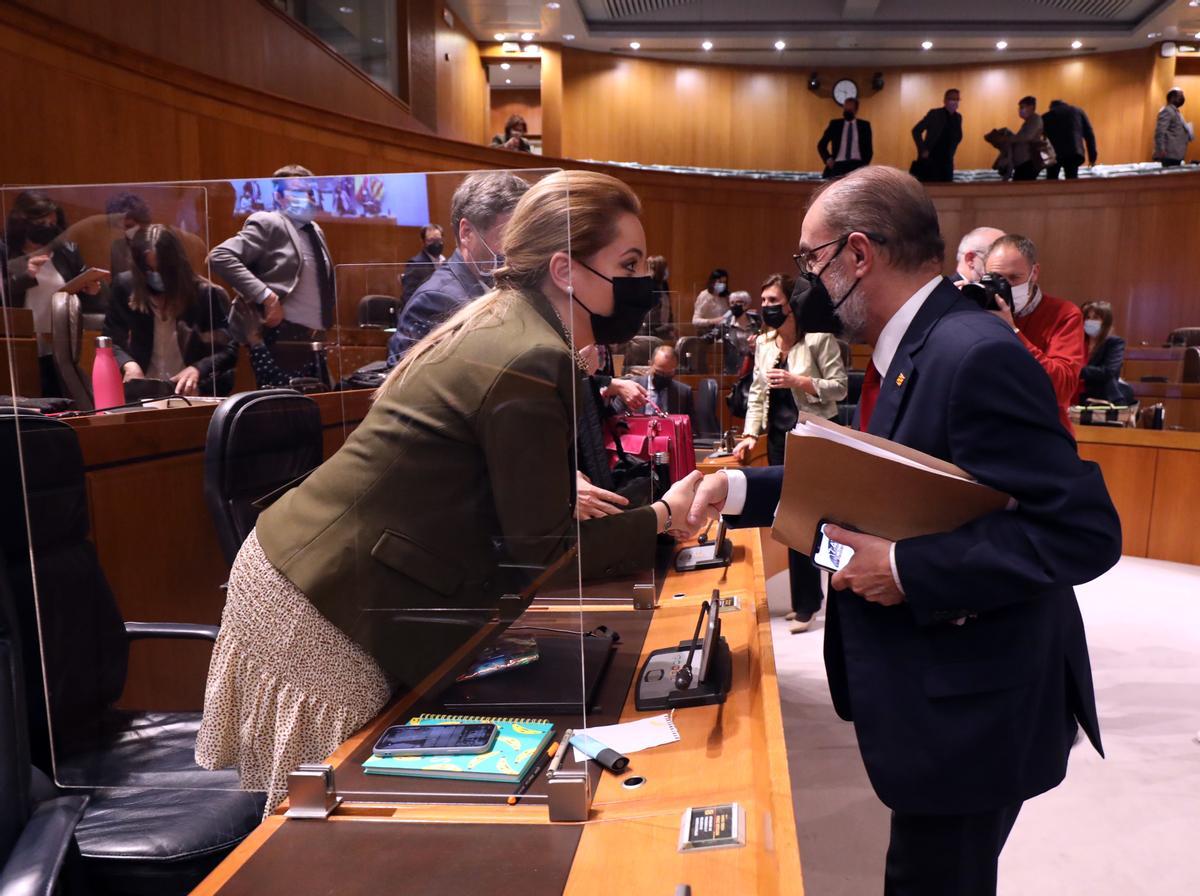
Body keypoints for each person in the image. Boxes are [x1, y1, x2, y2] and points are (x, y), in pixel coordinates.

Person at [195, 170, 703, 813]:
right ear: (566, 271)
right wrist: (662, 516)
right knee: (327, 830)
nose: (642, 283)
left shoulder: (512, 322)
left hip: (326, 576)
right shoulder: (530, 354)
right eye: (627, 264)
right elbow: (542, 550)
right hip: (319, 602)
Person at [682, 165, 1120, 896]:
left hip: (975, 708)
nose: (805, 283)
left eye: (810, 261)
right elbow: (863, 486)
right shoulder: (910, 349)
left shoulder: (973, 354)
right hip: (940, 693)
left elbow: (1083, 531)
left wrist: (910, 567)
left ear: (859, 256)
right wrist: (728, 488)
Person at [733, 271, 846, 633]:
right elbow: (756, 393)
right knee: (788, 518)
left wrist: (798, 380)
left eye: (773, 301)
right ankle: (805, 601)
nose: (766, 307)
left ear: (790, 304)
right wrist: (750, 434)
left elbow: (840, 388)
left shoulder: (817, 340)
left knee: (811, 518)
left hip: (813, 437)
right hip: (779, 437)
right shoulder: (764, 342)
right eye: (763, 301)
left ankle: (812, 602)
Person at [388, 171, 530, 364]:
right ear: (467, 232)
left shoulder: (501, 283)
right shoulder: (435, 301)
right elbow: (401, 386)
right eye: (507, 235)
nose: (516, 247)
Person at [208, 165, 336, 374]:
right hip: (279, 336)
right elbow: (220, 256)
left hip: (313, 339)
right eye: (299, 191)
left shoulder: (315, 230)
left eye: (311, 192)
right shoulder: (269, 222)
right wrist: (267, 297)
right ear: (279, 196)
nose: (309, 198)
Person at [103, 224, 236, 396]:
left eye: (162, 270)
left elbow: (229, 350)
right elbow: (111, 340)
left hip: (191, 394)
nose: (156, 276)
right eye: (149, 270)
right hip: (144, 393)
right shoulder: (125, 286)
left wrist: (197, 369)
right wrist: (128, 364)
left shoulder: (204, 293)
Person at [4, 191, 108, 393]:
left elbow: (81, 289)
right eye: (41, 222)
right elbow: (3, 296)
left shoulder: (66, 251)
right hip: (21, 347)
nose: (48, 228)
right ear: (22, 221)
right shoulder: (7, 252)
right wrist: (26, 275)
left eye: (52, 223)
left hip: (61, 344)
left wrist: (93, 289)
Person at [984, 234, 1086, 432]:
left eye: (1014, 278)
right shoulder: (978, 309)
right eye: (997, 278)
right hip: (989, 429)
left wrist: (1012, 331)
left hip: (1042, 432)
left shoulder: (1064, 314)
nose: (1005, 286)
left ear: (1034, 272)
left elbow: (1062, 388)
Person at [620, 345, 694, 421]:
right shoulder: (630, 387)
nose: (663, 376)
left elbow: (691, 426)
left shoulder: (684, 393)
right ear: (650, 364)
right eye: (659, 372)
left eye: (669, 373)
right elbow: (615, 417)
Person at [1079, 300, 1131, 405]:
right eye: (1088, 318)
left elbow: (1108, 370)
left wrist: (1076, 370)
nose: (1090, 321)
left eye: (1095, 318)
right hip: (1080, 398)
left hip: (1105, 400)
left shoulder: (1114, 343)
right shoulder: (1079, 342)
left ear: (1106, 322)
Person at [911, 88, 963, 183]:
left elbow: (958, 137)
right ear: (945, 101)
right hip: (931, 160)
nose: (955, 102)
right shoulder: (935, 114)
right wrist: (922, 149)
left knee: (947, 191)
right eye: (952, 99)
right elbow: (916, 130)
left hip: (947, 162)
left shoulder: (958, 117)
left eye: (957, 99)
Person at [818, 97, 873, 179]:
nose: (847, 111)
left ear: (856, 110)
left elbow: (869, 149)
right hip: (838, 165)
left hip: (857, 165)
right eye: (845, 108)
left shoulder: (864, 126)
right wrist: (828, 159)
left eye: (850, 109)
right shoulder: (835, 125)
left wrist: (864, 165)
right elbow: (821, 144)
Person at [1042, 99, 1097, 180]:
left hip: (1054, 153)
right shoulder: (1078, 111)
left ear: (1051, 107)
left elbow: (1042, 141)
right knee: (1072, 178)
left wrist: (1043, 161)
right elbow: (1089, 134)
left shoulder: (1046, 116)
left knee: (1051, 180)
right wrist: (1092, 156)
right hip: (1074, 152)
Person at [399, 224, 445, 305]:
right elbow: (409, 297)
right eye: (431, 240)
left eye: (438, 239)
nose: (436, 244)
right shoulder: (415, 264)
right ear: (423, 242)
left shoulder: (445, 262)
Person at [720, 289, 761, 373]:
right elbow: (709, 337)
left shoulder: (758, 323)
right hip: (733, 369)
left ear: (746, 305)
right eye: (732, 303)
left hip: (755, 367)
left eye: (738, 302)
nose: (734, 305)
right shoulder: (725, 325)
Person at [1006, 96, 1045, 181]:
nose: (1019, 110)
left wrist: (1009, 139)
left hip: (1028, 161)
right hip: (1023, 162)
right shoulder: (1029, 121)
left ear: (1030, 107)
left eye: (1022, 107)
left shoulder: (1035, 119)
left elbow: (1027, 136)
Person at [1154, 88, 1192, 167]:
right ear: (1172, 98)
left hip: (1176, 154)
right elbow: (1160, 132)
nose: (1182, 98)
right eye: (1180, 96)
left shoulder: (1176, 112)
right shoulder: (1167, 111)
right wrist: (1161, 149)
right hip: (1168, 154)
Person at [692, 268, 730, 334]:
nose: (722, 285)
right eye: (720, 282)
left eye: (724, 282)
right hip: (708, 333)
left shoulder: (726, 296)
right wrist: (714, 321)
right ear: (713, 282)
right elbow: (695, 321)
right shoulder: (704, 295)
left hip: (724, 333)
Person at [646, 254, 674, 335]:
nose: (667, 271)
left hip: (664, 330)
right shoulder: (649, 286)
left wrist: (671, 326)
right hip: (651, 331)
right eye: (665, 268)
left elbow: (669, 308)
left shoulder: (664, 285)